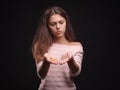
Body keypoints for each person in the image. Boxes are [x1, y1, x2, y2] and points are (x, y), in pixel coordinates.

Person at [32, 6, 84, 90]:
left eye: (61, 22)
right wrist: (46, 61)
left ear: (66, 22)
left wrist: (71, 60)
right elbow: (41, 75)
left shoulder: (76, 46)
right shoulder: (40, 45)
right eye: (53, 24)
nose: (58, 27)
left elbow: (76, 73)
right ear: (47, 26)